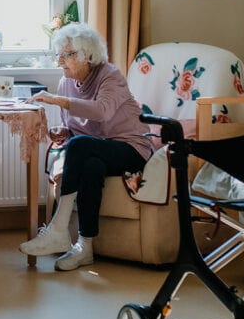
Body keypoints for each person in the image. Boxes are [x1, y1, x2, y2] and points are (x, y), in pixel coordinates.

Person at [18, 23, 152, 270]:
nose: (60, 61)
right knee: (90, 164)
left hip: (131, 148)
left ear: (88, 55)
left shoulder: (110, 76)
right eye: (59, 55)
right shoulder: (66, 83)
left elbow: (101, 112)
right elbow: (78, 128)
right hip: (98, 149)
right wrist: (65, 131)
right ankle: (85, 247)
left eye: (67, 55)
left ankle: (58, 229)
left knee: (80, 146)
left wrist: (57, 101)